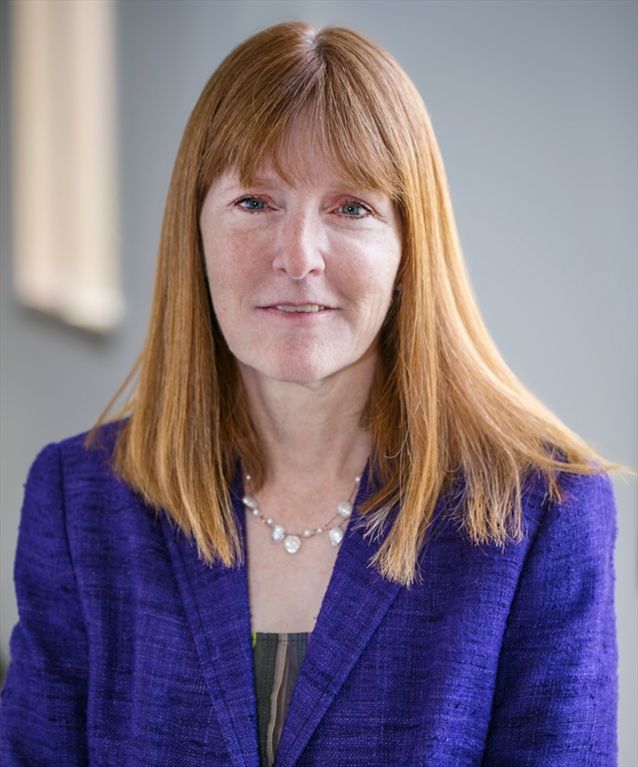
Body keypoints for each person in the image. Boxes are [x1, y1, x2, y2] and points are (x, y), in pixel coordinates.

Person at [1, 22, 618, 767]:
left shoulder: (541, 509)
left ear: (407, 247)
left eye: (350, 206)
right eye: (255, 201)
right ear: (192, 229)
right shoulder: (80, 501)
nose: (298, 256)